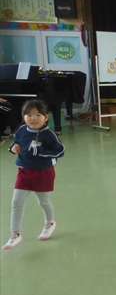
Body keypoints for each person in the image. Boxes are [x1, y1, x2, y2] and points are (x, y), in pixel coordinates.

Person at [3, 99, 65, 250]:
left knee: (43, 202)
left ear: (46, 117)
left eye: (38, 115)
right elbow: (15, 144)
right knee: (16, 203)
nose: (33, 118)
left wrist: (41, 152)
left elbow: (60, 151)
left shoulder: (48, 134)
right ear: (23, 117)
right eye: (29, 115)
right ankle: (15, 234)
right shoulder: (21, 131)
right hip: (23, 172)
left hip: (43, 173)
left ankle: (50, 222)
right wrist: (12, 149)